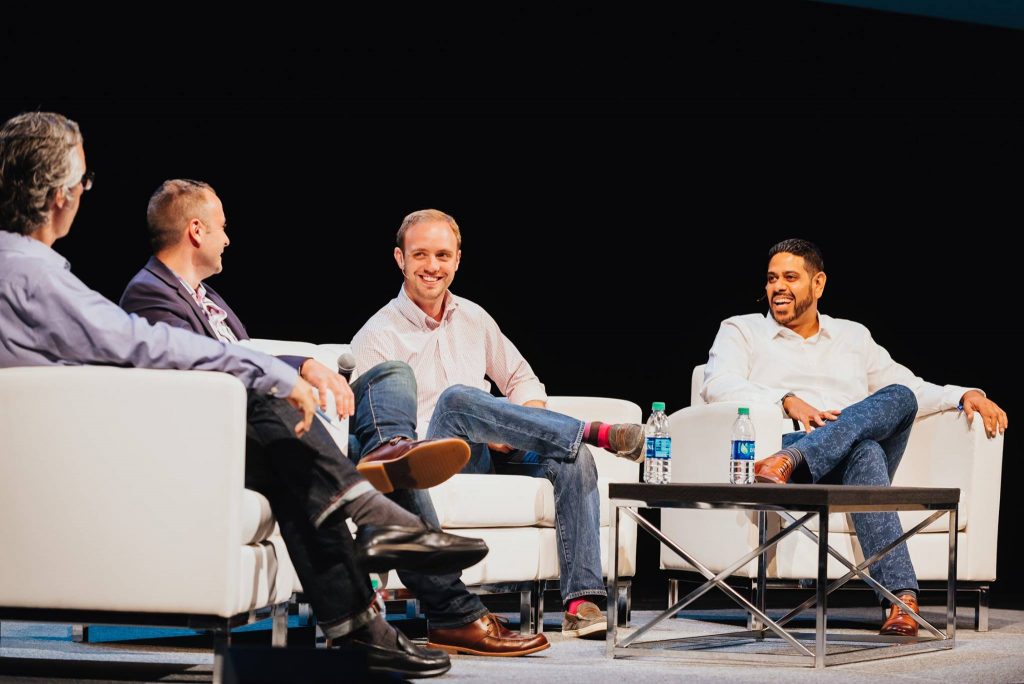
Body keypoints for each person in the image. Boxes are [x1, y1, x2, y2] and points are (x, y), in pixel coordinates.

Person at [0, 112, 482, 679]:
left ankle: (362, 600)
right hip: (116, 444)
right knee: (272, 416)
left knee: (296, 455)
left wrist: (283, 369)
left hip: (101, 431)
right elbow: (147, 346)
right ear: (59, 196)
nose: (85, 192)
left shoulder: (28, 271)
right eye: (83, 182)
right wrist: (274, 373)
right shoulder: (39, 275)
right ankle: (370, 514)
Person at [120, 182, 551, 658]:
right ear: (195, 230)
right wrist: (300, 366)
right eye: (222, 226)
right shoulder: (151, 296)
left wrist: (302, 370)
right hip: (238, 439)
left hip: (281, 425)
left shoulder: (210, 299)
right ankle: (452, 609)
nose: (228, 238)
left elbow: (236, 356)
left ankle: (389, 457)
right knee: (390, 467)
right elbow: (207, 363)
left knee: (391, 380)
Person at [352, 209, 648, 646]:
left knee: (572, 459)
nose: (432, 266)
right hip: (430, 463)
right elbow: (379, 428)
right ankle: (592, 430)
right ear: (399, 259)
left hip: (488, 455)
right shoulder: (378, 334)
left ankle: (581, 603)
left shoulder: (474, 318)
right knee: (456, 399)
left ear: (457, 260)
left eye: (442, 255)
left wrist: (512, 427)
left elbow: (523, 380)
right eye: (420, 255)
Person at [701, 238, 1008, 637]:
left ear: (818, 283)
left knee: (898, 399)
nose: (778, 286)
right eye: (772, 278)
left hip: (794, 464)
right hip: (785, 470)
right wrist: (786, 400)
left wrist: (965, 394)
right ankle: (902, 601)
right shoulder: (741, 330)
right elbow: (717, 384)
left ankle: (796, 455)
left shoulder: (853, 337)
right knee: (866, 451)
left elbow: (910, 387)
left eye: (790, 277)